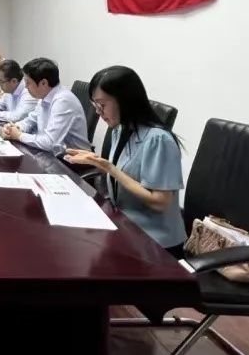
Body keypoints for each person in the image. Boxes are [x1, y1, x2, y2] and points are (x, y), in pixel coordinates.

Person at [64, 66, 186, 256]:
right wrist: (98, 162)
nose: (98, 112)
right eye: (95, 106)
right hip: (125, 225)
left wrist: (109, 167)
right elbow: (123, 174)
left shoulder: (158, 140)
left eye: (102, 105)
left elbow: (160, 202)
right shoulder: (120, 129)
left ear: (124, 101)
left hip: (156, 244)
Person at [1, 58, 90, 154]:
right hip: (52, 154)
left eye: (28, 82)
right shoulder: (45, 97)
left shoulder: (63, 100)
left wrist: (19, 136)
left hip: (71, 160)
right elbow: (30, 120)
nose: (25, 87)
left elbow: (50, 143)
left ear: (44, 83)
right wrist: (14, 128)